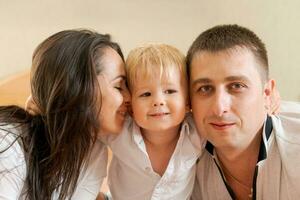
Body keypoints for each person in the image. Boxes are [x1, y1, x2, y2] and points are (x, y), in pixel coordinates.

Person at [0, 29, 130, 200]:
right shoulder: (8, 142)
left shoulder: (94, 151)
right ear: (78, 87)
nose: (129, 98)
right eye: (119, 86)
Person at [187, 24, 300, 200]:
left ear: (267, 93)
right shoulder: (181, 164)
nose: (219, 107)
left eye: (237, 86)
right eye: (205, 88)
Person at [106, 44, 201, 200]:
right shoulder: (119, 132)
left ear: (187, 101)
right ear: (130, 105)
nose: (158, 101)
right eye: (146, 94)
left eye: (170, 91)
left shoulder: (196, 132)